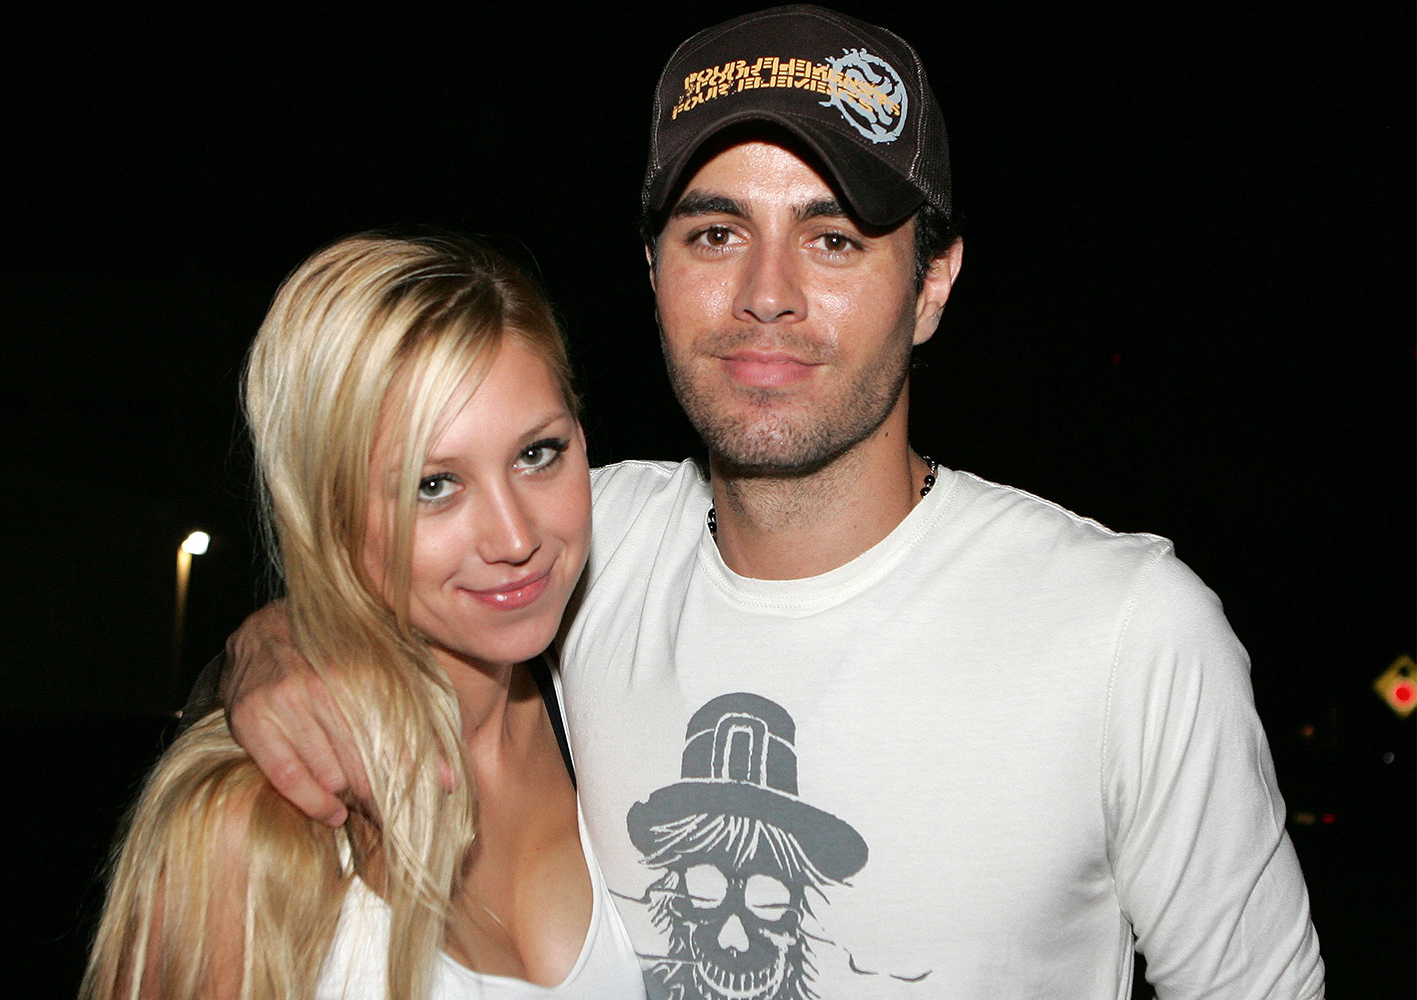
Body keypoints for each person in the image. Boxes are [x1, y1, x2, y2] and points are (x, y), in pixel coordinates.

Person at [212, 8, 1326, 998]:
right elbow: (379, 571)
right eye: (716, 233)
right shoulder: (577, 546)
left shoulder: (1129, 632)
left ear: (932, 287)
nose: (766, 295)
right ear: (654, 272)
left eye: (833, 239)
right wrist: (270, 650)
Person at [83, 234, 648, 999]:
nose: (516, 538)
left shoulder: (604, 714)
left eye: (537, 454)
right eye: (434, 485)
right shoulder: (252, 824)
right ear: (333, 512)